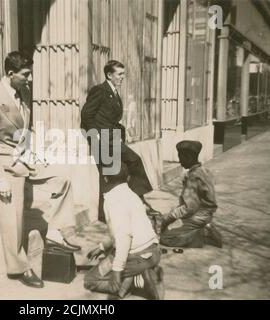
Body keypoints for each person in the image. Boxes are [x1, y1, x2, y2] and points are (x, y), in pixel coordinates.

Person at [0, 51, 79, 289]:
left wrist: (36, 152)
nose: (30, 78)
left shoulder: (23, 91)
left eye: (30, 73)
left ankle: (58, 233)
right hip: (7, 165)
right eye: (26, 74)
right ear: (11, 74)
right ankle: (19, 268)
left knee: (62, 179)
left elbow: (25, 128)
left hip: (26, 158)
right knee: (13, 219)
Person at [80, 60, 157, 222]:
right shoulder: (100, 90)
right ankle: (140, 200)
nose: (123, 77)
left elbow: (110, 118)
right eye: (119, 74)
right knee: (134, 160)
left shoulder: (114, 92)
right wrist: (97, 137)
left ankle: (104, 215)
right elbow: (86, 115)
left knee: (109, 175)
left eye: (123, 74)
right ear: (109, 75)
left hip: (112, 139)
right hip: (103, 140)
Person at [84, 163, 164, 300]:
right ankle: (138, 276)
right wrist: (102, 247)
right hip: (154, 252)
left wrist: (117, 271)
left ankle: (138, 281)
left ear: (105, 179)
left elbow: (123, 236)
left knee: (91, 280)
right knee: (112, 260)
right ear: (127, 178)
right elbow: (128, 229)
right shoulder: (133, 195)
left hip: (137, 257)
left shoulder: (113, 200)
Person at [160, 140, 223, 248]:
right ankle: (204, 228)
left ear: (188, 157)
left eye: (181, 157)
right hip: (204, 214)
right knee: (172, 225)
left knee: (165, 238)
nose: (179, 161)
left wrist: (169, 218)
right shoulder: (203, 170)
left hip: (199, 215)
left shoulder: (194, 176)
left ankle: (203, 234)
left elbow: (189, 208)